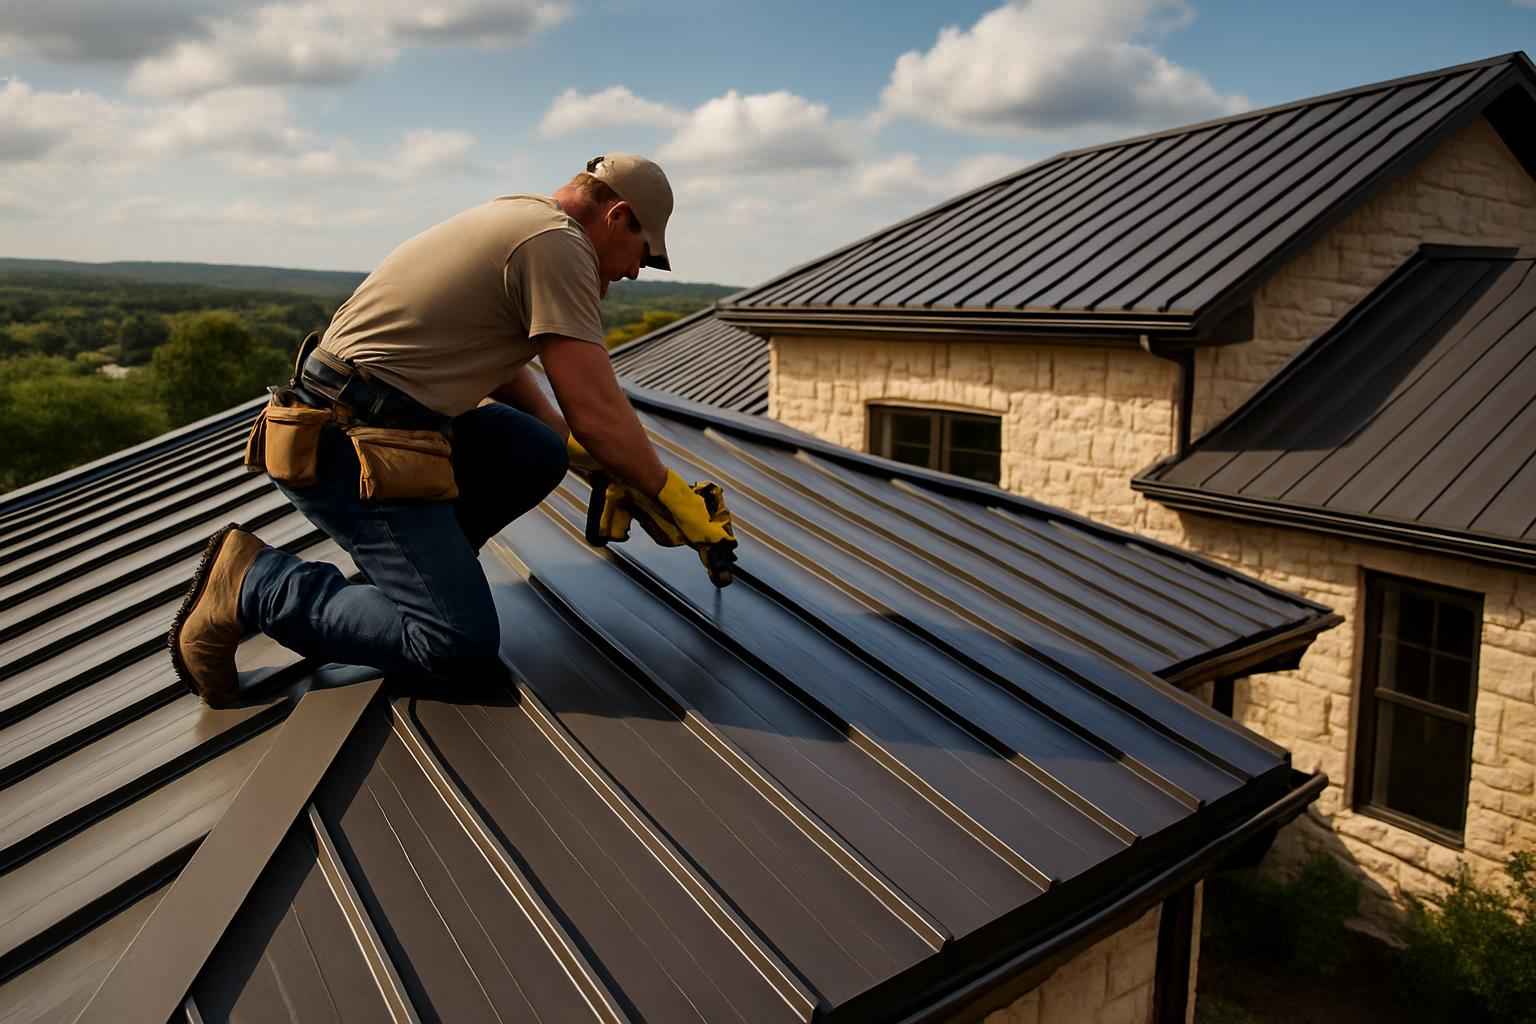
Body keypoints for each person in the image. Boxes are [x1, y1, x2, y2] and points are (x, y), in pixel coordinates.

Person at [167, 154, 735, 706]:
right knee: (456, 647)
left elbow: (500, 361)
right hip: (348, 443)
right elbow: (597, 411)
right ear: (618, 216)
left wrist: (598, 461)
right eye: (643, 253)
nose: (634, 272)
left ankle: (414, 580)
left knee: (538, 449)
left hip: (381, 425)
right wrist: (671, 495)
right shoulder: (559, 246)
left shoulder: (524, 216)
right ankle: (256, 583)